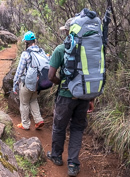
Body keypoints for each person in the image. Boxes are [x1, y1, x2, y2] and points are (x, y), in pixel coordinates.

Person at [46, 19, 94, 177]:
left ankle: (57, 156)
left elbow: (51, 76)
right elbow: (92, 76)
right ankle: (73, 164)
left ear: (68, 31)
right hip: (84, 96)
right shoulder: (88, 50)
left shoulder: (61, 49)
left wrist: (61, 84)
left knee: (59, 126)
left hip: (66, 96)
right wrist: (91, 99)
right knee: (77, 129)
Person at [12, 31, 44, 130]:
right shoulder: (41, 51)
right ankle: (38, 120)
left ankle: (25, 124)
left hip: (28, 82)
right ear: (34, 40)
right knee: (33, 100)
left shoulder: (26, 54)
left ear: (26, 42)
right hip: (38, 83)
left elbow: (20, 70)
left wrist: (15, 83)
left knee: (24, 102)